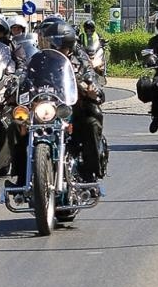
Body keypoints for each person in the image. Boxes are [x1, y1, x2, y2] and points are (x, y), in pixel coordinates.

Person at [39, 17, 107, 182]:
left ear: (69, 46)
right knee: (18, 124)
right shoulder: (40, 59)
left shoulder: (79, 57)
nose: (58, 49)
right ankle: (21, 176)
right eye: (54, 46)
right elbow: (27, 75)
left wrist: (91, 87)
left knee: (91, 122)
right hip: (47, 107)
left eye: (61, 46)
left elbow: (90, 73)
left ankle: (90, 173)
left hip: (73, 107)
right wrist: (17, 86)